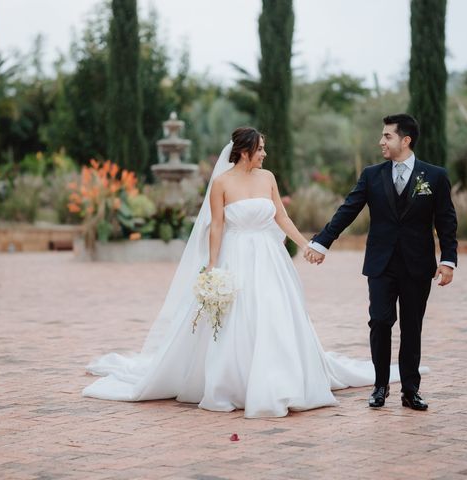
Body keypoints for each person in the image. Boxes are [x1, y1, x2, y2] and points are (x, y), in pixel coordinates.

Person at [82, 127, 394, 418]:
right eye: (260, 149)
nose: (264, 154)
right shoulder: (221, 183)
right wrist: (213, 267)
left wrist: (307, 245)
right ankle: (233, 382)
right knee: (237, 317)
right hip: (235, 256)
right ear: (244, 151)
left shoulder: (267, 177)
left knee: (273, 312)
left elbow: (281, 218)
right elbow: (216, 227)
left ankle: (279, 379)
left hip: (269, 258)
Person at [305, 114, 458, 410]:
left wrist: (448, 259)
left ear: (406, 140)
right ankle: (379, 386)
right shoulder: (372, 175)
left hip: (417, 264)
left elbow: (446, 220)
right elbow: (347, 210)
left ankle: (411, 390)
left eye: (387, 136)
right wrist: (322, 241)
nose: (381, 142)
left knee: (412, 327)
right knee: (379, 322)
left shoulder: (434, 176)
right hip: (381, 264)